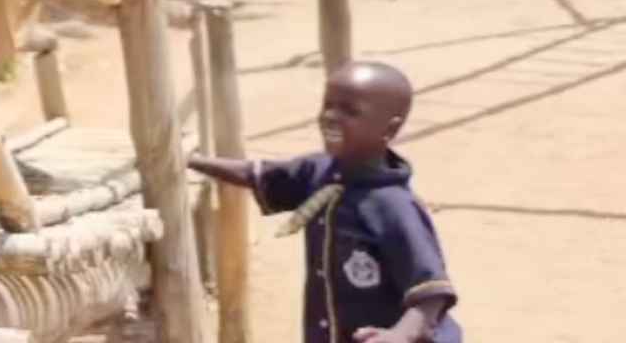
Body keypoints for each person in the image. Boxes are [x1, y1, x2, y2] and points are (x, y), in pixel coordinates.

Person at [188, 61, 461, 343]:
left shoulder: (394, 207)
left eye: (350, 111)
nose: (331, 116)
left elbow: (432, 293)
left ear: (389, 130)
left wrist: (401, 335)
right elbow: (257, 174)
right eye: (327, 105)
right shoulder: (318, 171)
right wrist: (192, 160)